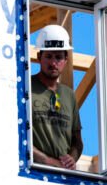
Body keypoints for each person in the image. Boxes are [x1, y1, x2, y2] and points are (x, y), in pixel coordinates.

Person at [30, 24, 83, 170]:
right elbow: (18, 136)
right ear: (39, 57)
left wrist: (72, 158)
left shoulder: (69, 95)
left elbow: (77, 141)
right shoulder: (26, 88)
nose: (53, 63)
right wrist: (47, 161)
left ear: (66, 60)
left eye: (58, 57)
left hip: (64, 177)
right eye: (48, 56)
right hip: (35, 172)